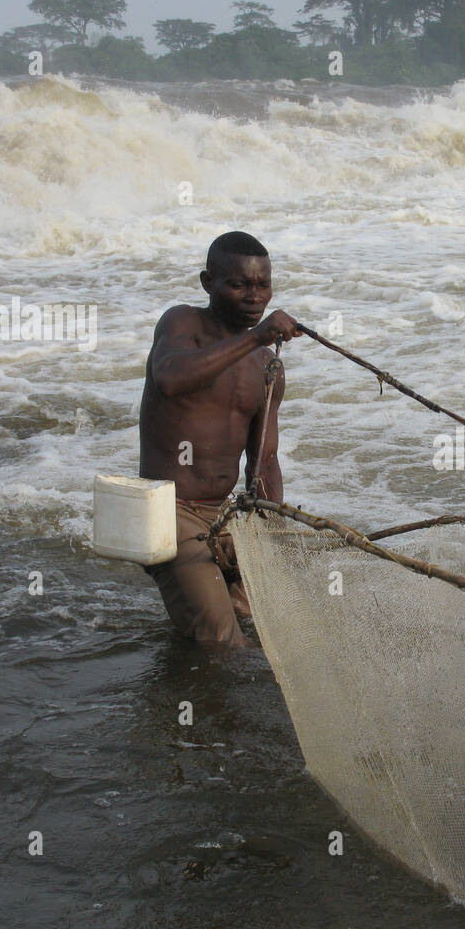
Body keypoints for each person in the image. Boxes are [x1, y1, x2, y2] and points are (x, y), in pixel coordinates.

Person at [138, 231, 300, 646]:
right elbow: (170, 378)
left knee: (266, 629)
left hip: (226, 516)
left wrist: (271, 529)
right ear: (207, 282)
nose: (254, 296)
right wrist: (256, 336)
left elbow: (264, 462)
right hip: (170, 510)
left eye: (263, 285)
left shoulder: (267, 366)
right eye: (239, 284)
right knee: (223, 643)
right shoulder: (182, 323)